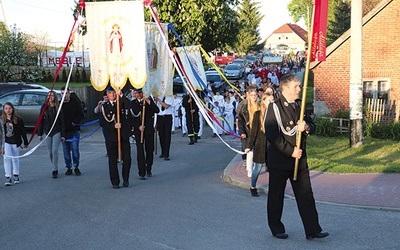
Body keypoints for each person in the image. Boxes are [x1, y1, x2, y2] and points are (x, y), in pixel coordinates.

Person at [265, 74, 329, 239]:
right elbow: (272, 135)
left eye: (299, 86)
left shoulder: (300, 106)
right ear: (285, 88)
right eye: (296, 86)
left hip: (299, 160)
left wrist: (306, 126)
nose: (299, 89)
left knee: (306, 194)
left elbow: (313, 127)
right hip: (280, 160)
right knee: (276, 196)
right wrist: (290, 151)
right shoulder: (274, 107)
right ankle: (277, 228)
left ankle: (312, 229)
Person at [100, 86, 132, 188]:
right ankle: (115, 181)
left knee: (127, 159)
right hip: (111, 137)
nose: (112, 95)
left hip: (123, 135)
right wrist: (113, 126)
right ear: (107, 94)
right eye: (110, 93)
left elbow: (129, 105)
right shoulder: (104, 107)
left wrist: (121, 95)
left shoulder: (121, 102)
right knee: (112, 160)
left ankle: (125, 178)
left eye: (114, 93)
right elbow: (102, 122)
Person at [244, 88, 274, 197]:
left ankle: (273, 188)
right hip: (260, 145)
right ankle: (253, 186)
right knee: (258, 167)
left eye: (272, 100)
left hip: (271, 146)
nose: (271, 102)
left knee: (272, 168)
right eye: (269, 101)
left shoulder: (274, 114)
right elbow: (254, 132)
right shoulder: (258, 114)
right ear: (264, 101)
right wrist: (249, 146)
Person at [130, 88, 159, 180]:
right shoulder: (133, 103)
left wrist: (148, 101)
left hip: (148, 130)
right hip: (139, 131)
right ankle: (141, 172)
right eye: (137, 93)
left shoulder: (148, 101)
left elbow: (157, 110)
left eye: (140, 93)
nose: (138, 94)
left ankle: (148, 168)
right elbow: (130, 118)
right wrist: (138, 126)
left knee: (149, 150)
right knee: (140, 152)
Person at [37, 91, 66, 179]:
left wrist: (63, 135)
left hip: (56, 131)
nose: (51, 97)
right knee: (50, 152)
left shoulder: (58, 107)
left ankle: (55, 169)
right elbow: (40, 120)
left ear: (55, 97)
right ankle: (54, 164)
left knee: (54, 150)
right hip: (47, 131)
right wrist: (40, 133)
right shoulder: (44, 107)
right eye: (49, 95)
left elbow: (62, 121)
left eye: (52, 95)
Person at [2, 102, 28, 186]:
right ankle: (8, 176)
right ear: (4, 110)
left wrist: (25, 141)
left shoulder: (18, 120)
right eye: (6, 108)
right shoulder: (2, 120)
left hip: (16, 142)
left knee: (15, 158)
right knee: (6, 158)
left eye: (9, 108)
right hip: (6, 142)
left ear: (12, 109)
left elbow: (23, 131)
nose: (8, 110)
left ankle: (16, 175)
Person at [60, 87, 85, 176]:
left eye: (66, 93)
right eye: (62, 94)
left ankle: (76, 166)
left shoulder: (75, 103)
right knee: (66, 151)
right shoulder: (59, 105)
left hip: (74, 131)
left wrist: (76, 122)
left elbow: (81, 114)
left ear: (69, 94)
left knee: (75, 149)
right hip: (64, 132)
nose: (64, 95)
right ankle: (68, 167)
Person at [236, 86, 259, 177]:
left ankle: (256, 166)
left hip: (258, 132)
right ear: (248, 95)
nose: (254, 97)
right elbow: (240, 120)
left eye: (255, 95)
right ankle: (249, 170)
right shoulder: (244, 107)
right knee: (249, 152)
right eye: (252, 95)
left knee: (257, 151)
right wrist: (242, 132)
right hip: (247, 132)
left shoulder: (260, 106)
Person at [155, 94, 174, 161]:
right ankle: (163, 151)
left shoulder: (170, 96)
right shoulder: (158, 96)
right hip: (160, 117)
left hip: (167, 117)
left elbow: (166, 106)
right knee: (161, 135)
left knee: (167, 136)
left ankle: (166, 154)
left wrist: (159, 100)